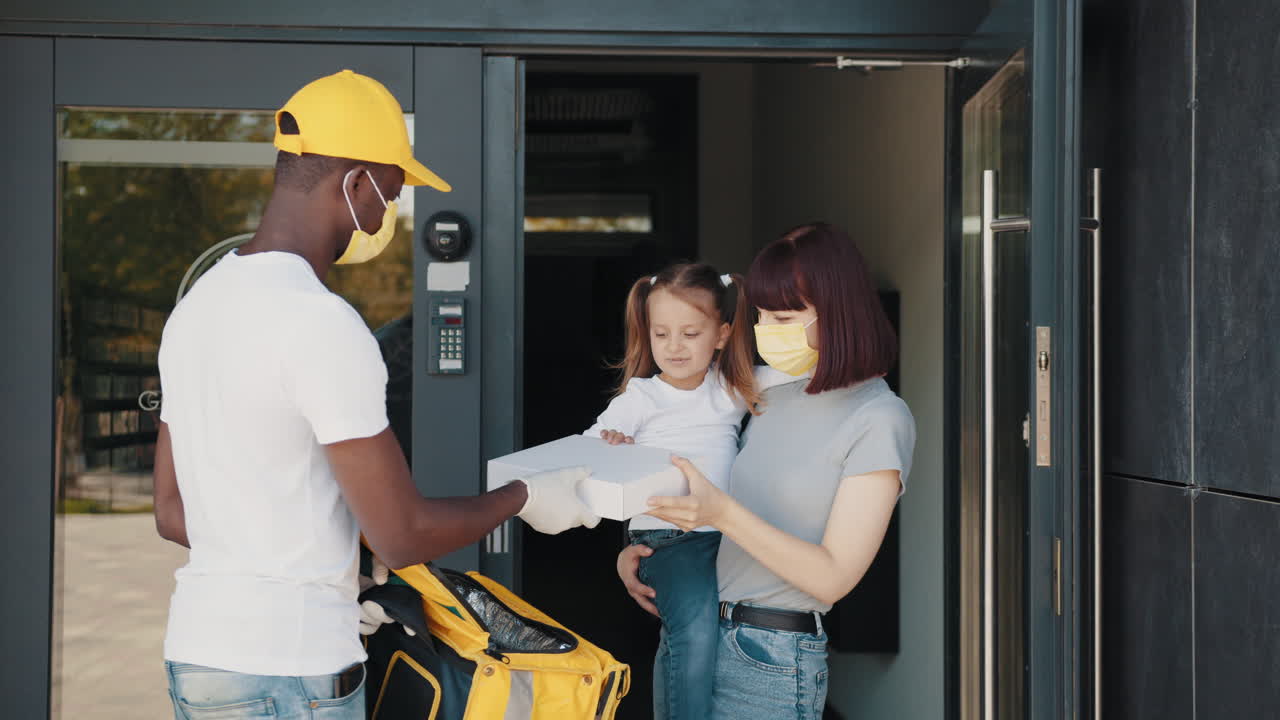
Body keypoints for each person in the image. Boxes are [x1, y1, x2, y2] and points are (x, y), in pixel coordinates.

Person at [152, 70, 597, 719]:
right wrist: (524, 496)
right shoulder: (320, 322)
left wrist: (337, 568)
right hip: (290, 671)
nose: (386, 215)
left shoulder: (197, 308)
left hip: (201, 658)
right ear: (355, 183)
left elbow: (171, 511)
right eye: (389, 195)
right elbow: (402, 535)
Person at [617, 223, 916, 719]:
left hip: (770, 656)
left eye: (783, 317)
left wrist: (722, 514)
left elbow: (833, 578)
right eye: (761, 315)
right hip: (694, 633)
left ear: (838, 311)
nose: (766, 329)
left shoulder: (879, 416)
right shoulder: (769, 393)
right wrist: (646, 552)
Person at [588, 263, 759, 720]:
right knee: (694, 634)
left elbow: (791, 383)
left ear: (721, 335)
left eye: (690, 333)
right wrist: (611, 443)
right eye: (661, 334)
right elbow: (589, 446)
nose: (674, 346)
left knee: (706, 637)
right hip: (667, 539)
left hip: (725, 534)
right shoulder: (642, 397)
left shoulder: (730, 387)